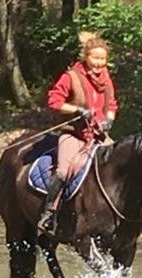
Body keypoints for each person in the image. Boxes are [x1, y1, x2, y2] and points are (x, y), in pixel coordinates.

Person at [37, 32, 118, 235]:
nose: (99, 63)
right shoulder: (71, 76)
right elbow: (54, 101)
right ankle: (49, 212)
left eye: (102, 59)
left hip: (98, 136)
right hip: (74, 134)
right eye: (95, 58)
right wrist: (76, 110)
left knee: (122, 165)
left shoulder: (106, 79)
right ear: (86, 56)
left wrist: (109, 118)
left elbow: (112, 104)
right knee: (64, 171)